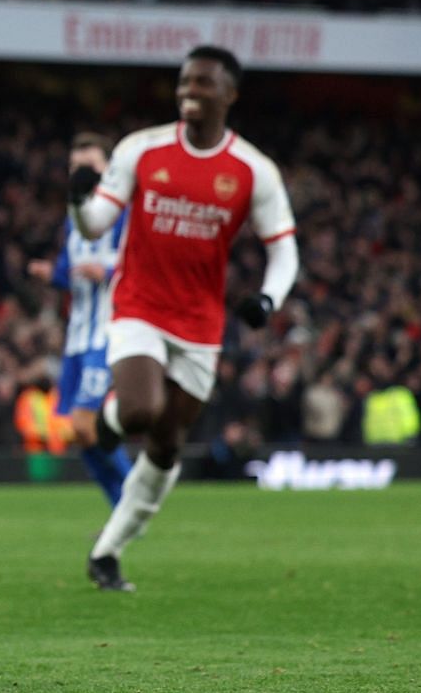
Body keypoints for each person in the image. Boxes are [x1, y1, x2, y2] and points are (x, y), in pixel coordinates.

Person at [68, 46, 298, 592]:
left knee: (168, 444)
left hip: (199, 324)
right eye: (184, 82)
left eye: (203, 83)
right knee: (144, 409)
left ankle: (108, 551)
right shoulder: (142, 149)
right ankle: (111, 422)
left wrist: (267, 299)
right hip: (139, 306)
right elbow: (98, 223)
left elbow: (284, 251)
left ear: (230, 94)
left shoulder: (253, 171)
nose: (189, 91)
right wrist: (80, 203)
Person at [27, 131, 133, 505]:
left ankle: (135, 501)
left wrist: (105, 273)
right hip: (77, 337)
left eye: (88, 166)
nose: (81, 174)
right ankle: (119, 507)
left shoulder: (125, 213)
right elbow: (66, 270)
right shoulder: (73, 218)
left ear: (109, 169)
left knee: (88, 423)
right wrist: (49, 272)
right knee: (77, 430)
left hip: (107, 332)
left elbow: (142, 264)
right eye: (75, 167)